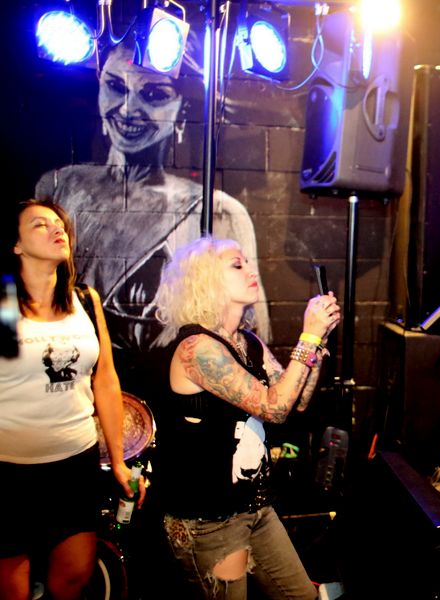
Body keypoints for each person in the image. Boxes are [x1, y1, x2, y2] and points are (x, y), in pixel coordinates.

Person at [34, 38, 270, 365]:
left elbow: (256, 332)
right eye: (116, 87)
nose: (128, 109)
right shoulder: (62, 185)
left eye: (154, 94)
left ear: (182, 108)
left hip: (172, 382)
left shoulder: (218, 210)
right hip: (72, 377)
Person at [152, 236, 339, 600]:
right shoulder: (197, 348)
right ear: (206, 280)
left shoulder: (247, 341)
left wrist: (318, 341)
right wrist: (308, 336)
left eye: (247, 263)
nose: (250, 270)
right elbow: (273, 408)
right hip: (208, 520)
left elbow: (295, 400)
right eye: (236, 265)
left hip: (254, 507)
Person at [0, 199, 145, 600]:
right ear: (16, 245)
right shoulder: (5, 303)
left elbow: (106, 380)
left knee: (75, 577)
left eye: (59, 224)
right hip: (10, 470)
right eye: (39, 225)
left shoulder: (83, 299)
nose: (56, 229)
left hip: (74, 464)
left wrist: (118, 461)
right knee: (12, 589)